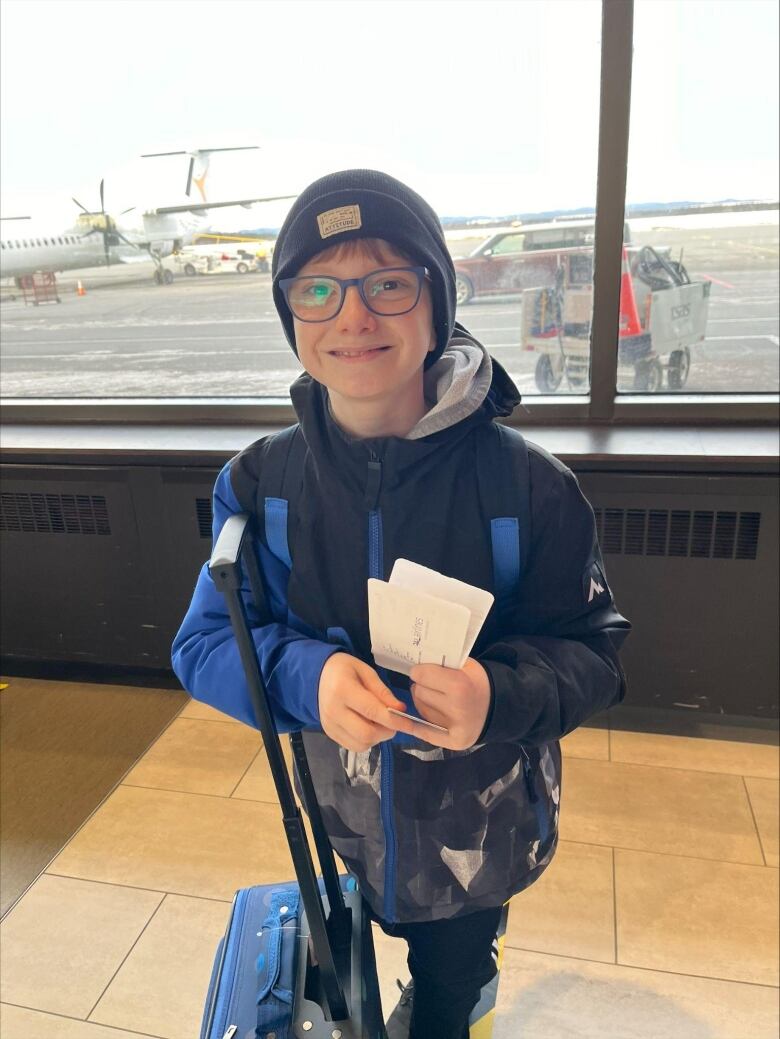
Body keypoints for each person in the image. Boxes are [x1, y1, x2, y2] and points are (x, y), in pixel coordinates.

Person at [172, 168, 631, 1039]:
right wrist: (306, 677)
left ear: (436, 300)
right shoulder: (261, 482)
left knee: (450, 982)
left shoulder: (528, 487)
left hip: (477, 838)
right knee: (348, 955)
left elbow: (598, 653)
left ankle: (459, 1000)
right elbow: (203, 644)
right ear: (291, 315)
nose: (353, 315)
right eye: (318, 288)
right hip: (338, 816)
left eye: (387, 282)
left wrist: (500, 694)